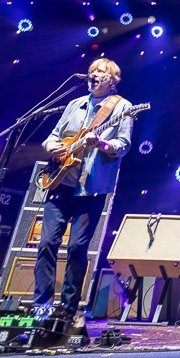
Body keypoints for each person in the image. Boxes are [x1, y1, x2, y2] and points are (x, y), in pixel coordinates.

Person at [33, 58, 134, 321]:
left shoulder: (122, 107)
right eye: (91, 71)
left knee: (77, 248)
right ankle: (41, 306)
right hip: (60, 183)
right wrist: (50, 146)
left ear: (112, 80)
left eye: (100, 72)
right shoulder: (74, 104)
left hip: (91, 189)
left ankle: (68, 310)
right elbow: (54, 136)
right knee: (46, 243)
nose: (93, 75)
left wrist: (100, 143)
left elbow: (123, 145)